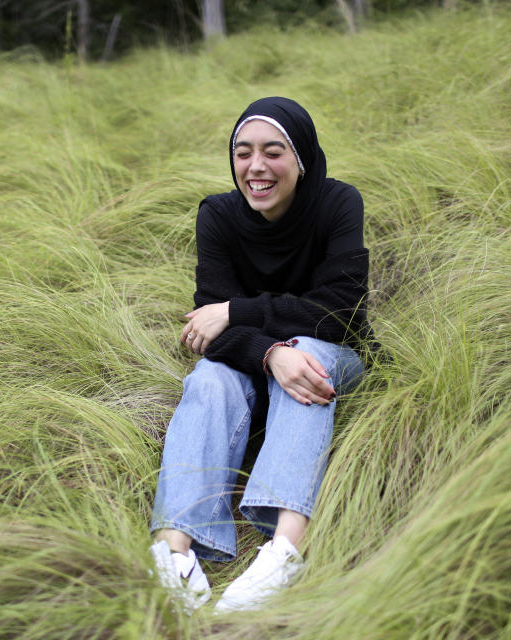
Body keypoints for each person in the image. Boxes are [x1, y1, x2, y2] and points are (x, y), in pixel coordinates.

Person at [148, 96, 374, 614]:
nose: (256, 167)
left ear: (302, 159)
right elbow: (206, 329)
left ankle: (284, 548)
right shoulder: (218, 215)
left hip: (334, 354)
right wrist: (270, 351)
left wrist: (237, 311)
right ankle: (173, 550)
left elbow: (339, 313)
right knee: (209, 377)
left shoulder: (338, 204)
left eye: (273, 152)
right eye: (242, 152)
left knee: (308, 351)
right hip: (258, 362)